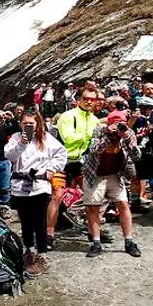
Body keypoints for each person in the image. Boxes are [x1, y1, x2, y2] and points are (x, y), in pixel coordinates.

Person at [5, 109, 67, 272]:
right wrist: (22, 144)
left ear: (37, 123)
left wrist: (52, 169)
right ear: (20, 124)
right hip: (20, 185)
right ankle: (29, 251)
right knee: (25, 221)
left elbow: (61, 154)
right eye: (25, 123)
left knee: (39, 221)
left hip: (39, 185)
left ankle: (42, 255)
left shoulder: (46, 138)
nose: (28, 126)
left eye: (31, 123)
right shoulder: (16, 138)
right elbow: (9, 156)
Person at [81, 111, 141, 257]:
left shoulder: (128, 133)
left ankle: (129, 241)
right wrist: (108, 136)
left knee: (123, 204)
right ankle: (96, 242)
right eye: (115, 123)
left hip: (115, 175)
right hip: (95, 175)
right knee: (93, 208)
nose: (118, 126)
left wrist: (126, 138)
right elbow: (94, 150)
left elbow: (137, 156)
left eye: (121, 123)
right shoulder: (99, 131)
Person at [50, 85, 103, 234]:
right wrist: (91, 134)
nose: (89, 102)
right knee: (57, 195)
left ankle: (94, 230)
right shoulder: (67, 116)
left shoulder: (94, 119)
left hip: (80, 161)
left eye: (92, 99)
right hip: (61, 161)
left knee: (92, 195)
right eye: (85, 99)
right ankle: (48, 233)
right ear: (78, 99)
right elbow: (68, 139)